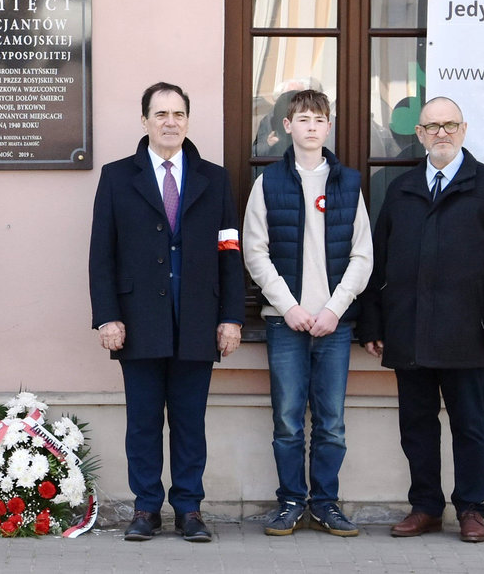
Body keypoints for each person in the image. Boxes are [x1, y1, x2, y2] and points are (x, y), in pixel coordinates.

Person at [359, 96, 484, 543]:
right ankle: (426, 507)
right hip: (408, 329)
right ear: (419, 134)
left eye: (450, 125)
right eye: (432, 127)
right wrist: (372, 324)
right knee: (416, 424)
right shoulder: (401, 189)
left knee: (469, 424)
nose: (442, 133)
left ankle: (472, 509)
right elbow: (379, 261)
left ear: (464, 130)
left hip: (466, 331)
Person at [89, 81, 245, 542]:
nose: (170, 122)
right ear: (145, 121)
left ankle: (190, 508)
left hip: (197, 319)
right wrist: (107, 316)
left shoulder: (214, 179)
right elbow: (102, 253)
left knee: (189, 421)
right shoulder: (118, 177)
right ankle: (145, 509)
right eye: (161, 114)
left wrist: (231, 316)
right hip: (138, 322)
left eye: (178, 114)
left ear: (187, 121)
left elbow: (229, 250)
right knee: (142, 421)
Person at [242, 90, 372, 537]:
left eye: (319, 118)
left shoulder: (348, 183)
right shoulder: (269, 184)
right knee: (287, 420)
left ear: (328, 126)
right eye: (303, 119)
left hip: (334, 326)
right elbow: (255, 253)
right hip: (286, 323)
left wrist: (334, 309)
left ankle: (327, 503)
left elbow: (362, 256)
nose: (312, 126)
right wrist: (290, 307)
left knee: (332, 422)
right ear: (288, 127)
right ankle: (291, 502)